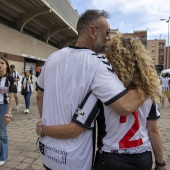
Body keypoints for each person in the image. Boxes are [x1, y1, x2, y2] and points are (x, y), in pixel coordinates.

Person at [36, 10, 147, 170]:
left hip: (48, 152)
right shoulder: (97, 63)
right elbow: (125, 107)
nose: (109, 38)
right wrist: (147, 84)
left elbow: (40, 96)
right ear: (92, 31)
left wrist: (46, 125)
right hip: (74, 159)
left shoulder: (53, 57)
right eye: (107, 32)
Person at [0, 57, 16, 166]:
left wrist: (9, 113)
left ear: (6, 65)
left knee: (2, 133)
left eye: (2, 63)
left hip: (4, 106)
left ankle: (4, 156)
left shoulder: (10, 79)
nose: (0, 65)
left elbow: (12, 97)